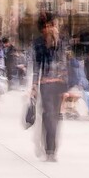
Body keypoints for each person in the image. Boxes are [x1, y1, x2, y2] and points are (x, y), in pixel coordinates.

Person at [32, 12, 68, 162]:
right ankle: (49, 150)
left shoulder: (61, 42)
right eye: (45, 27)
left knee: (55, 117)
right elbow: (36, 65)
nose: (48, 29)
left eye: (51, 26)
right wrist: (34, 85)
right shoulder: (39, 43)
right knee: (48, 116)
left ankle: (52, 149)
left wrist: (56, 41)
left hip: (59, 84)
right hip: (46, 84)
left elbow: (65, 62)